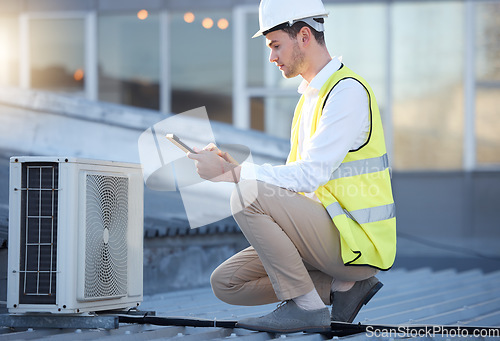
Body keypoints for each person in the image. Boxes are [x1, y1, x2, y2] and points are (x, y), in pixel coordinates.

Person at [187, 0, 396, 333]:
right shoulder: (310, 98)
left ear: (303, 36)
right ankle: (341, 288)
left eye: (275, 45)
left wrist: (234, 175)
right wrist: (235, 167)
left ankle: (307, 308)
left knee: (245, 194)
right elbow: (294, 183)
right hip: (325, 236)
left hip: (355, 243)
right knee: (226, 283)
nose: (271, 57)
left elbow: (310, 175)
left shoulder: (346, 92)